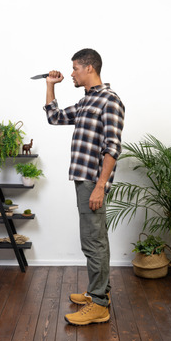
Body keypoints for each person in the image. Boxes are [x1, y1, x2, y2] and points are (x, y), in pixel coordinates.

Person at [44, 48, 125, 325]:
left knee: (93, 240)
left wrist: (100, 186)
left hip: (93, 181)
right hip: (83, 179)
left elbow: (113, 148)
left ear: (89, 68)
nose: (72, 73)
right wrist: (50, 87)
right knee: (93, 238)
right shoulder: (86, 102)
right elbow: (54, 117)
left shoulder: (109, 101)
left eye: (75, 68)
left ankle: (99, 304)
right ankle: (98, 292)